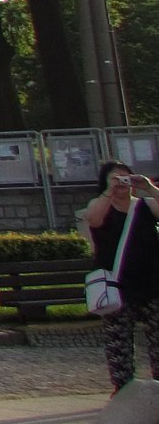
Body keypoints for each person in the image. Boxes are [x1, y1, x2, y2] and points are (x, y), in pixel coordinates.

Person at [83, 160, 159, 390]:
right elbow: (93, 219)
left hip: (151, 283)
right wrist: (109, 192)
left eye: (126, 177)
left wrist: (149, 187)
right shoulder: (101, 206)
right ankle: (123, 389)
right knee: (119, 343)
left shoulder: (145, 206)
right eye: (115, 178)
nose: (122, 182)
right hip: (117, 286)